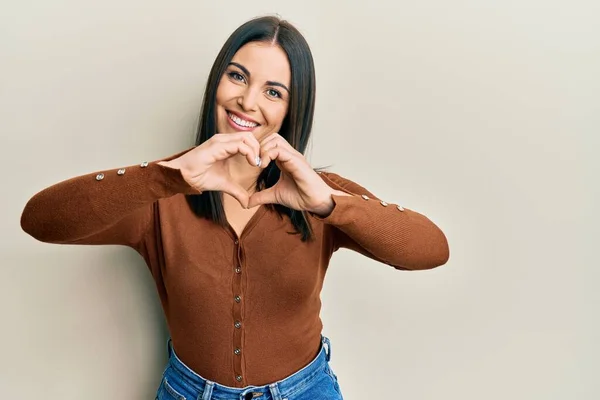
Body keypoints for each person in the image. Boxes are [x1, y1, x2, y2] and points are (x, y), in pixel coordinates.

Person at [20, 15, 449, 400]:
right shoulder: (162, 194)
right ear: (217, 82)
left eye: (273, 91)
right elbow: (40, 219)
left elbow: (431, 250)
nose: (248, 102)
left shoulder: (318, 194)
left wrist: (329, 204)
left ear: (290, 110)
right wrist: (165, 176)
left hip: (306, 391)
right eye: (238, 76)